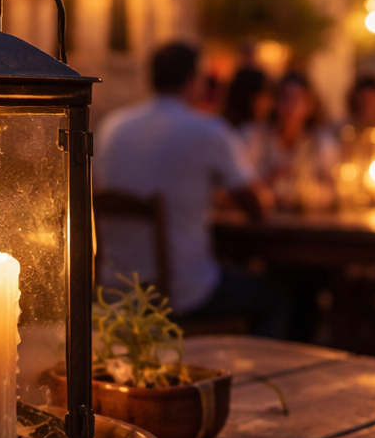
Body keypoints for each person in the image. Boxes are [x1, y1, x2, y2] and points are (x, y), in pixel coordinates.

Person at [94, 43, 284, 335]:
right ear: (193, 82)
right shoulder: (208, 130)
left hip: (115, 287)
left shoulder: (113, 128)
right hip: (183, 293)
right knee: (278, 297)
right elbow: (258, 207)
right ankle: (254, 377)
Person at [242, 71, 339, 211]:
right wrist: (269, 182)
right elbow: (238, 184)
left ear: (310, 105)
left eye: (297, 99)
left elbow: (334, 189)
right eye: (284, 97)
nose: (290, 105)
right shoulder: (253, 137)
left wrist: (305, 191)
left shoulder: (322, 143)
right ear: (274, 101)